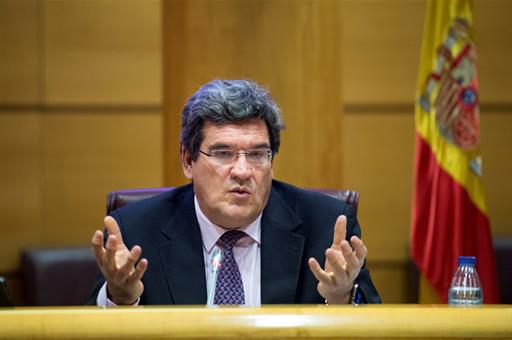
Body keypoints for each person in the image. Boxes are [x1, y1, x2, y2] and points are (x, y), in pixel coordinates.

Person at [89, 79, 380, 306]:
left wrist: (340, 297)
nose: (242, 171)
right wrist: (121, 297)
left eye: (257, 154)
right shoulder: (134, 230)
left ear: (272, 162)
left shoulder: (328, 229)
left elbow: (379, 328)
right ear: (188, 161)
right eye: (224, 153)